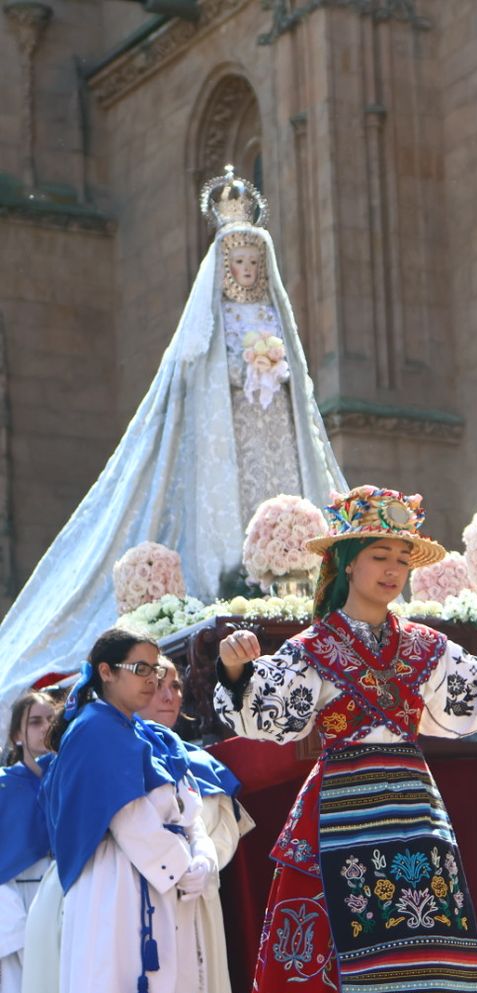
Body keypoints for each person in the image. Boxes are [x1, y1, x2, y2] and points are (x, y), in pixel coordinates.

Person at [214, 485, 477, 993]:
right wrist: (238, 672)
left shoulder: (423, 645)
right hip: (339, 818)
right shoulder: (311, 648)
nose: (393, 570)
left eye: (401, 558)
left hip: (415, 818)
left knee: (430, 957)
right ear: (346, 562)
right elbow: (270, 718)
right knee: (334, 965)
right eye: (380, 556)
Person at [0, 165, 344, 698]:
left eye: (256, 263)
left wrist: (273, 366)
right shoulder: (211, 323)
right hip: (229, 434)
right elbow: (205, 383)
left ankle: (295, 570)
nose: (249, 272)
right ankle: (243, 574)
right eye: (241, 264)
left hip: (273, 428)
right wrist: (246, 367)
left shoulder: (274, 315)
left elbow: (296, 380)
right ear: (225, 269)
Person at [39, 628, 215, 993]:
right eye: (140, 669)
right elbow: (128, 817)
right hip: (118, 889)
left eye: (155, 669)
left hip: (160, 883)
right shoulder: (97, 728)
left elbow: (185, 806)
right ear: (106, 672)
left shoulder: (141, 732)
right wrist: (183, 867)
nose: (153, 680)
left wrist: (203, 856)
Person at [144, 656, 254, 993]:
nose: (170, 695)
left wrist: (204, 860)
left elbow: (224, 830)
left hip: (200, 902)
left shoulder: (204, 764)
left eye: (175, 686)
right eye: (158, 685)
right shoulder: (120, 756)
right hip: (148, 905)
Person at [0, 684, 57, 993]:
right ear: (18, 734)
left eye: (51, 720)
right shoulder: (3, 786)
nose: (44, 729)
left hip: (64, 904)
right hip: (15, 906)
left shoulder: (70, 778)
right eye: (35, 722)